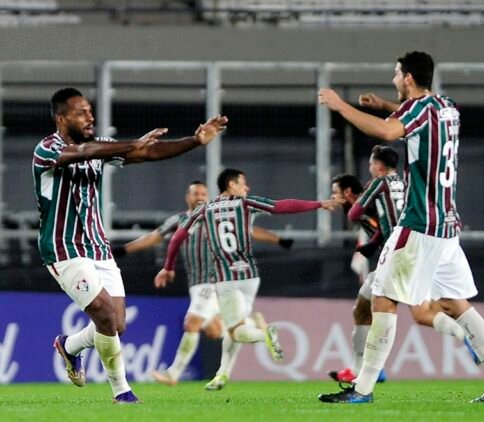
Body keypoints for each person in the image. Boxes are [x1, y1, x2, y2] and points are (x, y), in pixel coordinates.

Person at [317, 51, 484, 403]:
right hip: (447, 225)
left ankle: (362, 389)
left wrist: (340, 106)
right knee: (456, 303)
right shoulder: (448, 106)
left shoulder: (418, 110)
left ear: (408, 78)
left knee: (383, 297)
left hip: (419, 223)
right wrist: (382, 103)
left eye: (396, 74)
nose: (394, 80)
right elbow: (412, 122)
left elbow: (386, 130)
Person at [34, 87, 227, 404]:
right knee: (103, 312)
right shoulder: (45, 149)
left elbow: (147, 152)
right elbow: (82, 154)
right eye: (81, 112)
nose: (90, 116)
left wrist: (195, 140)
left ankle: (68, 346)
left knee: (116, 324)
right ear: (61, 117)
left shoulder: (99, 148)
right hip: (63, 247)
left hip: (98, 246)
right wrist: (131, 144)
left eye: (90, 110)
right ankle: (122, 391)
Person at [328, 147, 484, 384]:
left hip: (403, 254)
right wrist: (373, 242)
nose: (333, 198)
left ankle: (366, 372)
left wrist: (368, 228)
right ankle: (482, 348)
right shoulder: (405, 183)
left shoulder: (378, 184)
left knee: (387, 308)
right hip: (423, 245)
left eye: (335, 193)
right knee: (417, 310)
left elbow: (356, 214)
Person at [112, 180, 294, 390]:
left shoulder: (214, 216)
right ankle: (253, 327)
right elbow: (154, 237)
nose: (199, 196)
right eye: (195, 193)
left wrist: (278, 239)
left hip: (215, 280)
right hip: (197, 284)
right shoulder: (179, 220)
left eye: (203, 193)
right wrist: (124, 250)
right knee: (217, 332)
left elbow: (252, 231)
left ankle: (174, 373)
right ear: (187, 197)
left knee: (192, 323)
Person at [154, 168, 340, 373]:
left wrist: (168, 267)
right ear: (231, 185)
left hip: (225, 277)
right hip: (249, 276)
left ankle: (261, 334)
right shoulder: (246, 203)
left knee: (232, 332)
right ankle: (248, 336)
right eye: (243, 183)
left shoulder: (205, 209)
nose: (247, 187)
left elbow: (178, 237)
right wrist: (320, 204)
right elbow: (282, 206)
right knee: (225, 329)